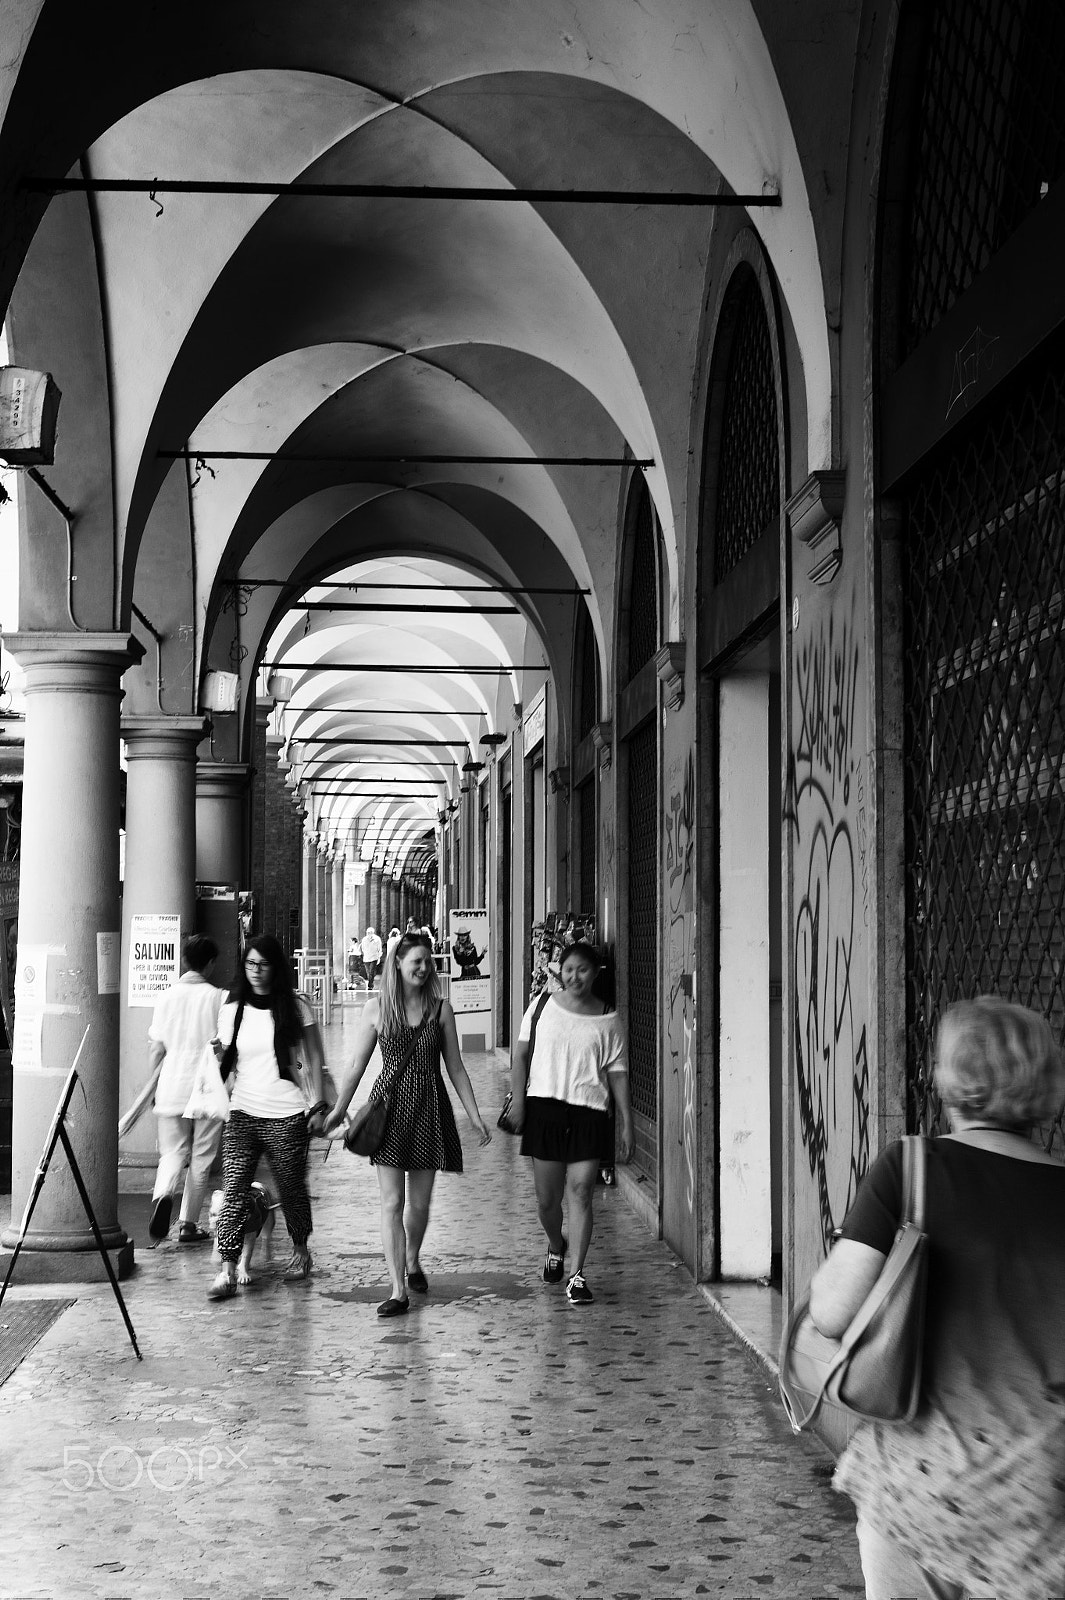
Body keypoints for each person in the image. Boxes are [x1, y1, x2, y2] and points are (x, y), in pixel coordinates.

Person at [809, 995, 1065, 1600]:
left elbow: (832, 1311)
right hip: (1041, 1498)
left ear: (952, 1079)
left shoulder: (913, 1168)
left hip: (919, 1484)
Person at [324, 930, 492, 1317]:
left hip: (430, 1108)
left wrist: (475, 1116)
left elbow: (456, 1067)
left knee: (419, 1204)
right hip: (390, 1110)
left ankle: (412, 1257)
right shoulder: (378, 1009)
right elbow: (355, 1066)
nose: (424, 966)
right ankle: (398, 1288)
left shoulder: (440, 1008)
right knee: (392, 1202)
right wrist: (339, 1110)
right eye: (416, 960)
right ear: (396, 964)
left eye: (427, 960)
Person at [506, 941, 634, 1304]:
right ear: (559, 972)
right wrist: (518, 1102)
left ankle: (577, 1275)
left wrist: (627, 1123)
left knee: (580, 1192)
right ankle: (555, 1243)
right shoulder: (542, 1006)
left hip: (588, 1112)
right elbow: (520, 1054)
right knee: (547, 1201)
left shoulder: (609, 1017)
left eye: (582, 969)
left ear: (595, 973)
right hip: (544, 1108)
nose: (574, 976)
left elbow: (618, 1072)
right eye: (568, 969)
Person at [206, 934, 329, 1301]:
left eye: (263, 964)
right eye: (250, 964)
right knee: (233, 1192)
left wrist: (319, 1108)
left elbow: (315, 1060)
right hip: (243, 1112)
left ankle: (300, 1250)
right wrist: (215, 1062)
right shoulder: (231, 1008)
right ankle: (227, 1270)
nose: (256, 972)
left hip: (288, 1114)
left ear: (276, 968)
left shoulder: (296, 1008)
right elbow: (227, 1062)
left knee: (291, 1190)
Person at [144, 934, 227, 1244]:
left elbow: (156, 1049)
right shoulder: (218, 997)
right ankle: (187, 1224)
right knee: (202, 1155)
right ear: (210, 963)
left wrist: (153, 1084)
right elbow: (224, 1047)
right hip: (206, 1087)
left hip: (171, 1084)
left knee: (173, 1152)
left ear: (184, 961)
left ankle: (164, 1192)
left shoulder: (165, 997)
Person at [360, 926, 383, 991]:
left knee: (371, 971)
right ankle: (371, 982)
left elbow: (379, 948)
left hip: (374, 957)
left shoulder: (377, 939)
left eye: (370, 932)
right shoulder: (364, 939)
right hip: (366, 958)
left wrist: (379, 957)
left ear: (373, 933)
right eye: (367, 932)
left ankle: (370, 985)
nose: (368, 934)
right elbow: (363, 948)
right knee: (368, 972)